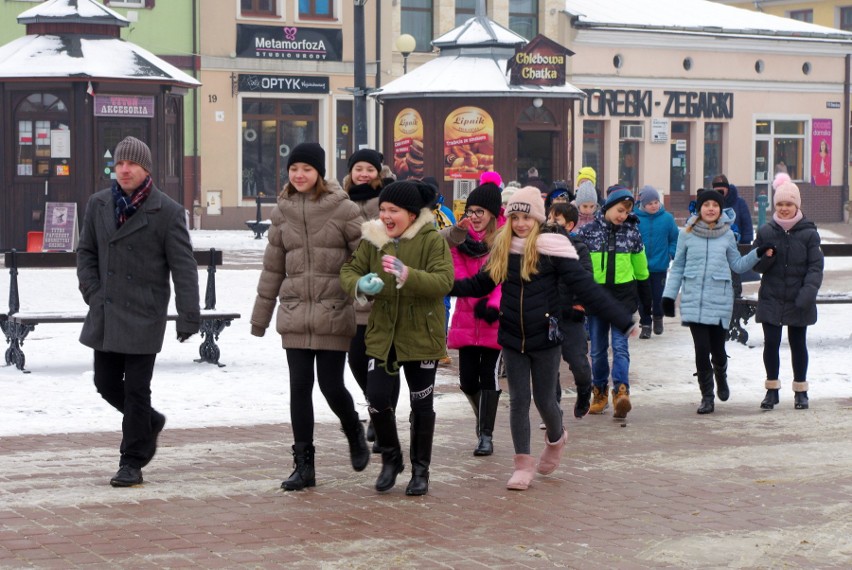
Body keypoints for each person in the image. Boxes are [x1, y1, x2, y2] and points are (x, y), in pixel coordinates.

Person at [451, 187, 636, 491]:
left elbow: (586, 287)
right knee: (519, 400)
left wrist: (623, 319)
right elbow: (477, 283)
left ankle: (556, 437)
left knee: (545, 401)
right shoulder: (503, 249)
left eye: (527, 217)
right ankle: (523, 464)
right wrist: (433, 285)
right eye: (515, 217)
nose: (521, 223)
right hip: (512, 337)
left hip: (546, 337)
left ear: (537, 219)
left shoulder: (552, 249)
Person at [77, 136, 200, 487]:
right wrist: (93, 292)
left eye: (132, 164)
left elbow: (184, 267)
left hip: (144, 314)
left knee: (136, 391)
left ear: (146, 168)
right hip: (107, 310)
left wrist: (188, 315)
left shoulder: (167, 211)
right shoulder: (98, 204)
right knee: (105, 382)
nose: (125, 169)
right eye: (119, 163)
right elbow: (86, 253)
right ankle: (150, 422)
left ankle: (131, 461)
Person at [250, 142, 369, 491]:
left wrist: (363, 291)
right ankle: (304, 466)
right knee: (299, 388)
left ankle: (354, 431)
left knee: (332, 386)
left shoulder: (343, 208)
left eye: (306, 169)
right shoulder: (281, 211)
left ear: (319, 172)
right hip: (295, 313)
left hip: (333, 310)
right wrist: (260, 318)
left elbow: (365, 256)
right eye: (293, 169)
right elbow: (272, 268)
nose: (299, 175)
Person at [339, 180, 454, 496]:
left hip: (422, 336)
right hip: (384, 336)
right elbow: (348, 272)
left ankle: (420, 470)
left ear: (411, 213)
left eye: (393, 211)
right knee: (377, 399)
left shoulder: (431, 240)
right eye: (383, 210)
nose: (386, 216)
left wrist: (408, 275)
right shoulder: (374, 239)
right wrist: (361, 283)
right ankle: (391, 458)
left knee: (422, 405)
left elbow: (444, 280)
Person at [661, 190, 772, 414]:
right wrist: (668, 296)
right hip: (694, 300)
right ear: (699, 208)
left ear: (720, 210)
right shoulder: (687, 234)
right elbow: (678, 267)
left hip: (720, 300)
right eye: (706, 204)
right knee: (701, 349)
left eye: (715, 205)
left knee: (718, 350)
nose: (710, 208)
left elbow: (738, 265)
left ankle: (721, 374)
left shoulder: (727, 235)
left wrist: (757, 253)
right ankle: (707, 396)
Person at [578, 187, 652, 420]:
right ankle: (599, 391)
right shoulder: (588, 232)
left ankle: (621, 391)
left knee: (620, 347)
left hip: (622, 301)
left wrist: (646, 304)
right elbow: (578, 265)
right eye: (619, 210)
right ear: (608, 207)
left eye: (626, 211)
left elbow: (641, 270)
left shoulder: (632, 233)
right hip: (596, 300)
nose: (622, 215)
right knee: (598, 350)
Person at [443, 181, 505, 456]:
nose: (475, 216)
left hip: (494, 319)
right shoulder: (461, 241)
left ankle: (486, 435)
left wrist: (493, 305)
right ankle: (484, 420)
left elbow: (504, 280)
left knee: (488, 376)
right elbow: (457, 274)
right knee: (467, 381)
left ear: (492, 213)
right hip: (467, 316)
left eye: (480, 211)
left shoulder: (504, 239)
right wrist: (471, 294)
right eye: (471, 210)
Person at [753, 173, 824, 410]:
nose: (784, 209)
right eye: (780, 204)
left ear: (797, 206)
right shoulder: (765, 231)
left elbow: (815, 267)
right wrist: (766, 259)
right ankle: (771, 389)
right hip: (772, 296)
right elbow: (755, 264)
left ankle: (800, 390)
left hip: (798, 297)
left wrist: (807, 293)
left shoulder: (809, 233)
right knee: (771, 343)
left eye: (789, 204)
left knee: (798, 343)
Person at [343, 148, 398, 453]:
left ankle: (381, 420)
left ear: (379, 172)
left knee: (387, 364)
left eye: (369, 169)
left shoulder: (389, 199)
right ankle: (380, 413)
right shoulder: (342, 201)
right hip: (354, 295)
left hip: (387, 295)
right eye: (358, 168)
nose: (363, 174)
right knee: (356, 359)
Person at [548, 201, 594, 418]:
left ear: (570, 225)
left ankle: (585, 390)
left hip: (571, 316)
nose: (550, 223)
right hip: (547, 316)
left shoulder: (579, 248)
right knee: (548, 366)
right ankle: (553, 408)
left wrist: (578, 305)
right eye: (549, 218)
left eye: (556, 220)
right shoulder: (540, 247)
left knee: (578, 362)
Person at [634, 185, 679, 338]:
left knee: (658, 296)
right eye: (649, 203)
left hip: (660, 266)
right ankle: (646, 324)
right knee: (643, 298)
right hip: (640, 267)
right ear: (643, 204)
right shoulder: (635, 219)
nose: (654, 206)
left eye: (656, 202)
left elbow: (674, 239)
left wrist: (670, 254)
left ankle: (658, 317)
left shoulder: (667, 219)